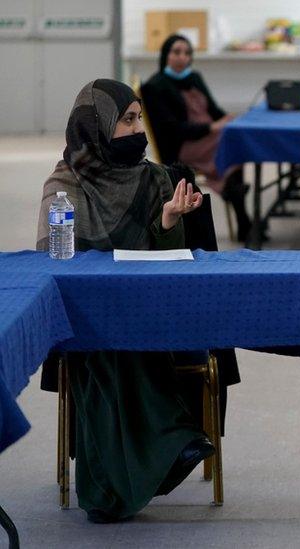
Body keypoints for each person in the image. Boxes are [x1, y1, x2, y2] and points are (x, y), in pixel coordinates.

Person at [36, 79, 216, 523]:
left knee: (122, 335)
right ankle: (169, 442)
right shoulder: (64, 183)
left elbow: (169, 259)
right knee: (105, 341)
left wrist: (170, 220)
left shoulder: (155, 177)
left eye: (140, 118)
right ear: (95, 127)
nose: (139, 130)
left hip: (148, 311)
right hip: (84, 316)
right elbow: (52, 257)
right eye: (127, 120)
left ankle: (115, 482)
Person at [140, 34, 254, 241]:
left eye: (187, 53)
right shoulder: (154, 87)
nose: (182, 57)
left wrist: (228, 119)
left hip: (207, 137)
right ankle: (239, 207)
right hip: (182, 146)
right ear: (166, 55)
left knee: (233, 135)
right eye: (176, 52)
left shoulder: (194, 78)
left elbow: (214, 109)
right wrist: (212, 127)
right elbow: (174, 130)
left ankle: (235, 196)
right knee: (231, 143)